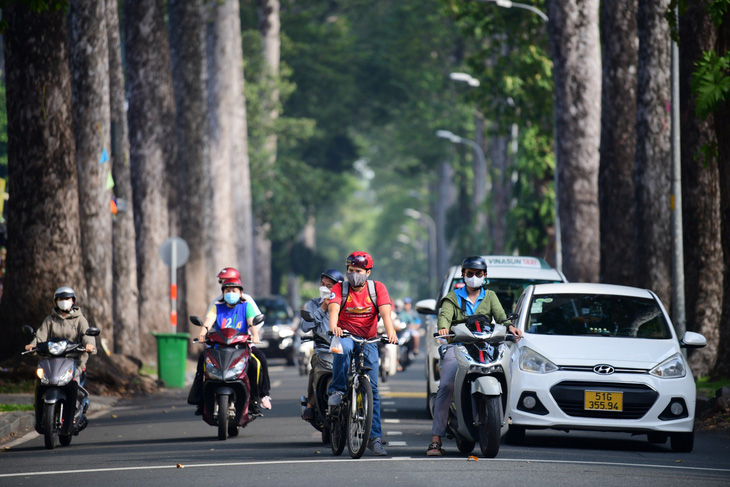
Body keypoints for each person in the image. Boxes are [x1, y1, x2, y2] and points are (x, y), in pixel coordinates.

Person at [426, 256, 522, 456]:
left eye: (478, 274)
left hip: (487, 347)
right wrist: (443, 329)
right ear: (464, 275)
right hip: (459, 347)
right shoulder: (452, 298)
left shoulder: (491, 297)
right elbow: (444, 317)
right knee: (446, 386)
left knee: (508, 364)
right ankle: (436, 439)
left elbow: (501, 317)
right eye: (470, 274)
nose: (474, 277)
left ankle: (507, 412)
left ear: (484, 276)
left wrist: (511, 328)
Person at [328, 251, 399, 456]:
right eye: (350, 271)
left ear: (368, 272)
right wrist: (334, 328)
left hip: (369, 339)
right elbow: (333, 312)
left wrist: (391, 334)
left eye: (358, 271)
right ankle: (338, 390)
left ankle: (375, 438)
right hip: (345, 335)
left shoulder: (377, 289)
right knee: (343, 349)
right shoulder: (339, 288)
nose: (353, 275)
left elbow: (385, 314)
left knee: (373, 390)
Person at [188, 276, 272, 415]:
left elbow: (251, 323)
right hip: (219, 347)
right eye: (227, 290)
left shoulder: (246, 306)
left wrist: (255, 335)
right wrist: (202, 334)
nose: (231, 293)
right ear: (223, 293)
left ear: (240, 293)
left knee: (259, 361)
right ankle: (200, 398)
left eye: (234, 290)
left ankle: (260, 396)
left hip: (242, 347)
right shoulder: (217, 307)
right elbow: (208, 322)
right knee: (203, 358)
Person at [300, 268, 344, 421]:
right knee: (315, 370)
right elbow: (305, 327)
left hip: (342, 351)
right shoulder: (313, 304)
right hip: (322, 351)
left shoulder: (344, 304)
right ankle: (311, 406)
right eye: (322, 284)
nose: (325, 288)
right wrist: (323, 308)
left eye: (329, 285)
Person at [25, 286, 97, 377]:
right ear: (56, 301)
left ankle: (77, 389)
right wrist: (33, 345)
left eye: (67, 298)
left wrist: (89, 345)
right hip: (52, 360)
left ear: (73, 301)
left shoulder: (80, 320)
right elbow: (41, 335)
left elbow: (87, 335)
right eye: (61, 299)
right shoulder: (50, 320)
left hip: (74, 360)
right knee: (41, 379)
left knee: (73, 383)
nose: (64, 301)